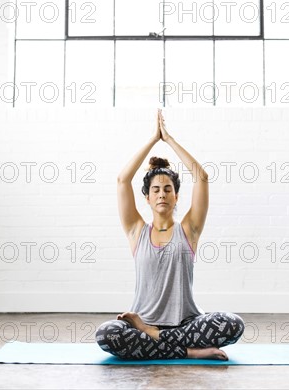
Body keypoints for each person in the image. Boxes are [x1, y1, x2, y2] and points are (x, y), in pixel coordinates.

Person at [95, 109, 245, 360]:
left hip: (186, 325)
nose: (162, 194)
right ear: (147, 197)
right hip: (140, 321)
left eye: (168, 189)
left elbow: (202, 177)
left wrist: (169, 139)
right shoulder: (137, 231)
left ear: (176, 195)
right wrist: (153, 139)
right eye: (156, 190)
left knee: (232, 324)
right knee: (106, 334)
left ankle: (155, 339)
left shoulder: (189, 230)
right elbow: (123, 180)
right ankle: (187, 351)